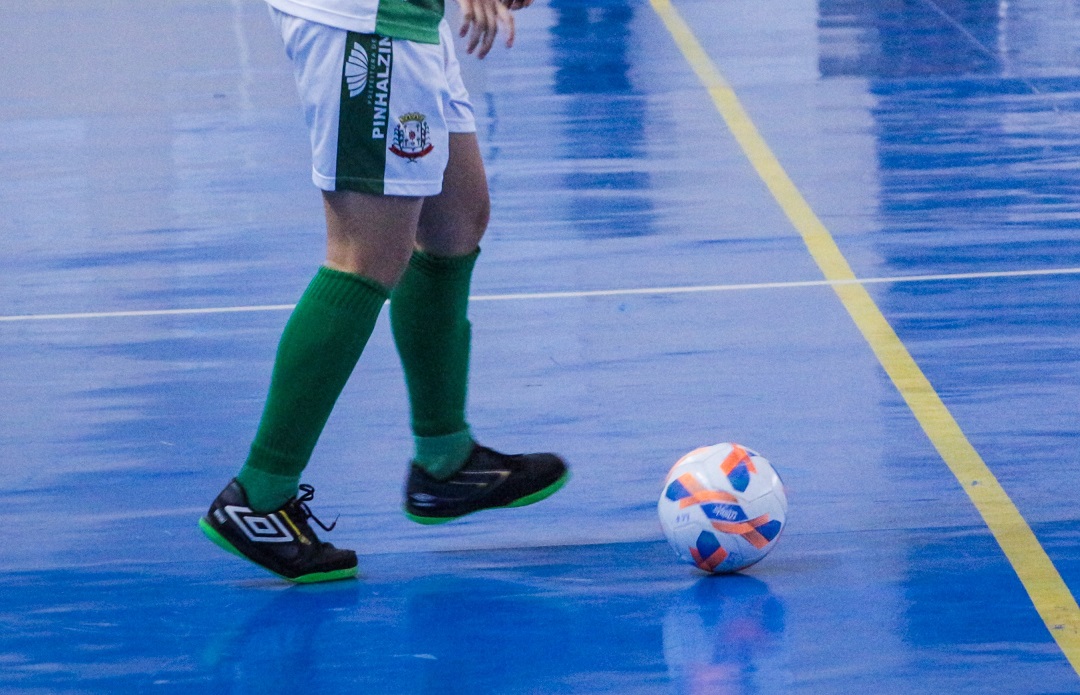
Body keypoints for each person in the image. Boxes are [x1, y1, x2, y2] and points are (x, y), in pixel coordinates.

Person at [198, 0, 569, 584]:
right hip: (363, 23)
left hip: (408, 20)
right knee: (364, 256)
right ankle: (260, 495)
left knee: (456, 223)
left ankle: (444, 458)